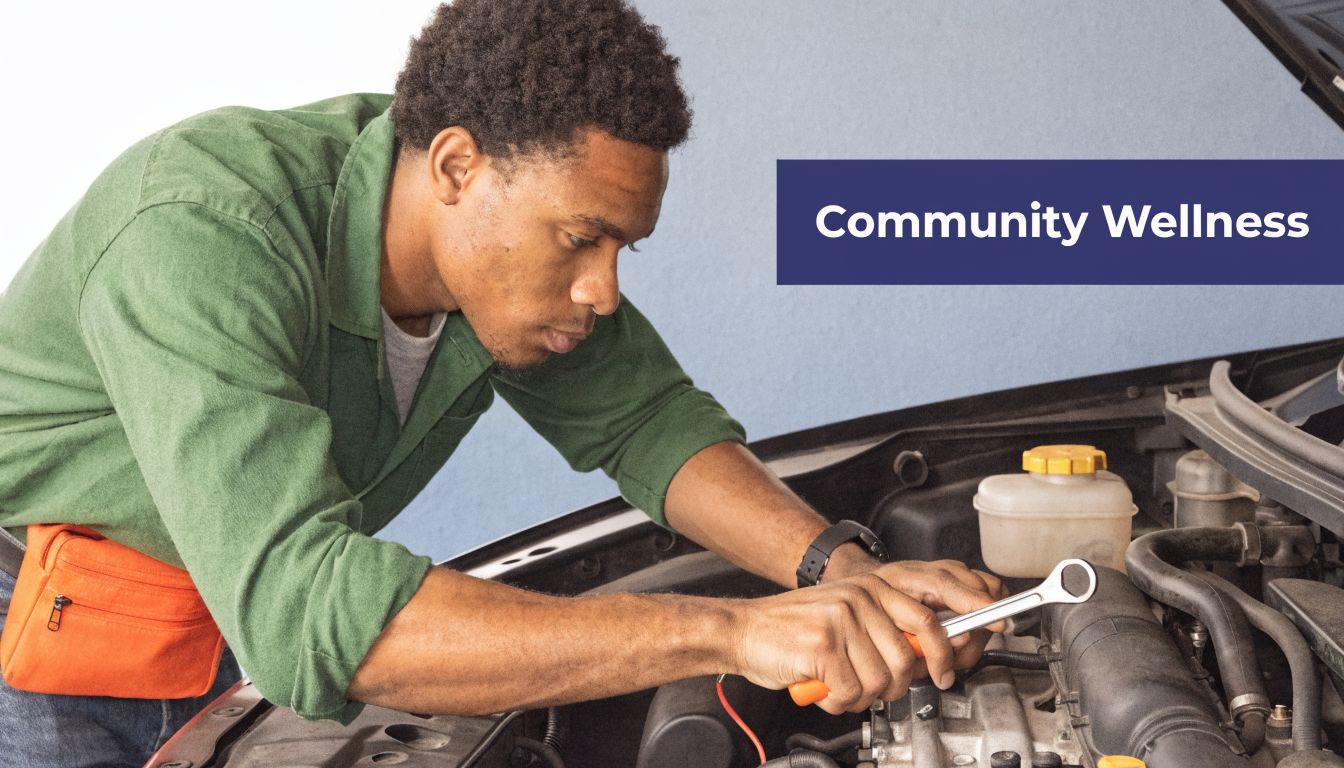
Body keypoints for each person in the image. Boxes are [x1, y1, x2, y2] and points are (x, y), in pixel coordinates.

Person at [0, 0, 1005, 764]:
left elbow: (649, 422)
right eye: (583, 239)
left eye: (623, 248)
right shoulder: (201, 234)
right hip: (41, 628)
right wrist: (732, 632)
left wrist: (843, 573)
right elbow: (315, 609)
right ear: (456, 167)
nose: (603, 290)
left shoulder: (501, 275)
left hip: (225, 610)